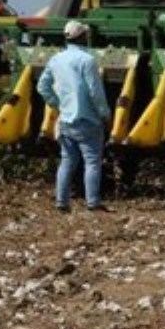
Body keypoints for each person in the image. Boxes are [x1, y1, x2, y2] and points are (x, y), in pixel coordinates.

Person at [36, 20, 111, 213]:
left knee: (67, 160)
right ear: (83, 36)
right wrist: (105, 113)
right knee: (92, 162)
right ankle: (92, 202)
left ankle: (62, 202)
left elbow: (42, 86)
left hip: (66, 120)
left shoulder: (56, 59)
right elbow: (95, 91)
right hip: (88, 120)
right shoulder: (87, 60)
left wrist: (56, 103)